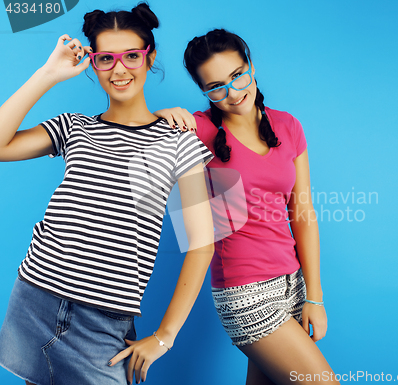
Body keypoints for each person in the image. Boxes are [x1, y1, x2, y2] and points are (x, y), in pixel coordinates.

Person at [0, 4, 214, 385]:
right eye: (106, 59)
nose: (119, 69)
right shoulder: (73, 127)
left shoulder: (179, 140)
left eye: (132, 56)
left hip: (106, 319)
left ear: (150, 58)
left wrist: (165, 337)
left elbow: (203, 243)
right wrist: (48, 74)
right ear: (94, 64)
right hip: (37, 296)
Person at [157, 29, 341, 384]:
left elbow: (302, 213)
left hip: (293, 284)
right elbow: (140, 131)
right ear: (204, 92)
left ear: (251, 66)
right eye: (216, 87)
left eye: (238, 75)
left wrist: (314, 298)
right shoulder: (200, 130)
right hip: (245, 292)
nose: (233, 92)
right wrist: (164, 114)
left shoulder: (288, 126)